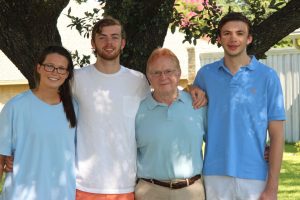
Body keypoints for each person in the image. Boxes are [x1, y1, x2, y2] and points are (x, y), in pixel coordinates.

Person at [193, 12, 285, 200]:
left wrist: (272, 188)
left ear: (248, 38)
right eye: (226, 33)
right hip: (215, 173)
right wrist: (189, 89)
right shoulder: (205, 75)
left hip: (255, 175)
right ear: (219, 39)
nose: (233, 38)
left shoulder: (268, 77)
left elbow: (277, 135)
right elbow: (191, 112)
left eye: (239, 33)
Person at [0, 45, 77, 200]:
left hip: (62, 195)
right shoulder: (16, 106)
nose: (55, 72)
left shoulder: (75, 107)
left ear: (67, 74)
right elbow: (1, 158)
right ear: (39, 68)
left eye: (61, 68)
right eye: (50, 66)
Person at [135, 48, 206, 200]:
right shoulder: (136, 111)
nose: (163, 77)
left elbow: (217, 145)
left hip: (191, 191)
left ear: (178, 73)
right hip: (150, 192)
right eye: (156, 73)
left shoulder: (198, 106)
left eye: (168, 71)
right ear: (148, 77)